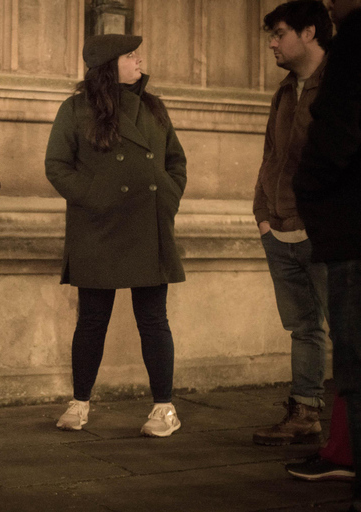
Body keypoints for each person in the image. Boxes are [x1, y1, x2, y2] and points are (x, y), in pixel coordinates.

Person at [45, 34, 187, 437]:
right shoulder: (75, 110)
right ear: (109, 65)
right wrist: (95, 197)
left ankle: (164, 408)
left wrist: (168, 196)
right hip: (99, 226)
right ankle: (79, 401)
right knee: (91, 320)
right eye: (129, 54)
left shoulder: (153, 108)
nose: (138, 58)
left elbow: (177, 161)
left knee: (154, 320)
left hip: (150, 224)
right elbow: (56, 165)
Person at [251, 0, 333, 447]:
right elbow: (270, 155)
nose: (272, 43)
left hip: (322, 232)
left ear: (308, 33)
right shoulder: (284, 92)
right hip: (278, 229)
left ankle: (344, 428)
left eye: (279, 33)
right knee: (302, 327)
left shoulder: (340, 85)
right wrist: (263, 215)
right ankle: (305, 412)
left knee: (345, 329)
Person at [293, 0, 361, 508]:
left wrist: (310, 195)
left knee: (354, 362)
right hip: (334, 226)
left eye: (279, 33)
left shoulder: (352, 48)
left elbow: (333, 140)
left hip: (351, 231)